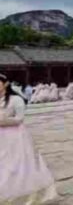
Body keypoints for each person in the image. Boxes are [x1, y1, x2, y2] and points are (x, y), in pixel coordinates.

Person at [0, 74, 58, 204]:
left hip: (14, 135)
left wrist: (3, 121)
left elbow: (19, 119)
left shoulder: (15, 100)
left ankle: (19, 194)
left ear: (6, 84)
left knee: (15, 164)